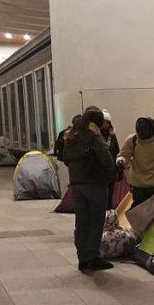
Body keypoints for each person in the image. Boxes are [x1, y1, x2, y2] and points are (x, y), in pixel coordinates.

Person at [60, 106, 114, 272]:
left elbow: (65, 158)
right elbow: (106, 159)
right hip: (95, 184)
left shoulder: (72, 136)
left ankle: (82, 258)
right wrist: (112, 173)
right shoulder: (94, 137)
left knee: (82, 221)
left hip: (76, 185)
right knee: (96, 222)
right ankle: (93, 257)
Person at [117, 117, 154, 208]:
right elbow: (124, 155)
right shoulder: (132, 140)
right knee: (139, 215)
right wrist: (121, 161)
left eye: (144, 130)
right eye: (139, 130)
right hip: (138, 186)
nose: (141, 133)